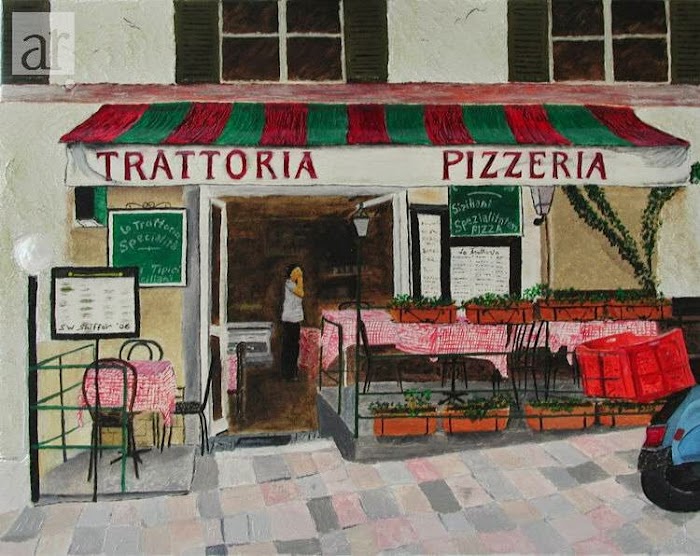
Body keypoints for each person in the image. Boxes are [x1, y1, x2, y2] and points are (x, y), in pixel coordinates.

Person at [281, 263, 304, 381]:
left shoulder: (294, 284)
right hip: (290, 319)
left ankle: (292, 372)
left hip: (295, 319)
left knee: (294, 346)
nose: (300, 274)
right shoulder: (289, 283)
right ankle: (288, 373)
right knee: (290, 346)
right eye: (297, 272)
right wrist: (300, 279)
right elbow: (301, 293)